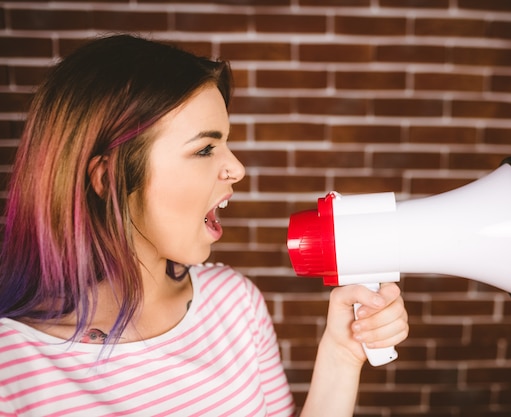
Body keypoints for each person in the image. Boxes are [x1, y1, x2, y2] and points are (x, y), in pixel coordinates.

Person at [0, 34, 408, 416]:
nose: (237, 169)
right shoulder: (13, 366)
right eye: (205, 148)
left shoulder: (234, 304)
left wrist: (341, 353)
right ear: (108, 179)